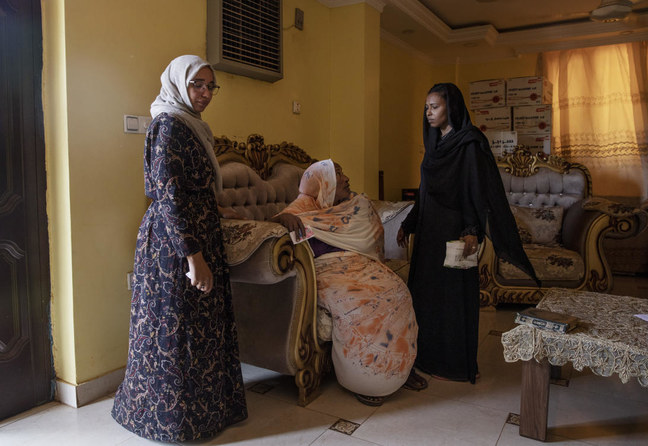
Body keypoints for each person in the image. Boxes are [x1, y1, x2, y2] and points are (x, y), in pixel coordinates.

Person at [111, 55, 247, 442]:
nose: (204, 93)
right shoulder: (169, 126)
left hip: (197, 233)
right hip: (175, 246)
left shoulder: (191, 125)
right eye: (196, 85)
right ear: (178, 84)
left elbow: (193, 187)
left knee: (200, 329)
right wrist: (194, 257)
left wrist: (214, 214)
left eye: (210, 86)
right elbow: (169, 197)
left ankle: (206, 412)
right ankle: (170, 420)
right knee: (175, 331)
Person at [397, 83, 540, 384]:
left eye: (434, 106)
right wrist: (408, 223)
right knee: (427, 297)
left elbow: (476, 192)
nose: (429, 113)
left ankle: (456, 365)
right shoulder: (434, 144)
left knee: (454, 298)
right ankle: (426, 358)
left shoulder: (471, 143)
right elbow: (425, 193)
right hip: (429, 235)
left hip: (457, 234)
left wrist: (472, 232)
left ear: (452, 107)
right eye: (426, 108)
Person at [273, 160, 425, 406]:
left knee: (396, 291)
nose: (345, 179)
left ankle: (399, 366)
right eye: (338, 174)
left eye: (342, 172)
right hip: (326, 271)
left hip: (357, 265)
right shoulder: (302, 206)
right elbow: (271, 226)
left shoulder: (349, 204)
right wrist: (284, 219)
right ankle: (367, 377)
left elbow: (370, 235)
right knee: (364, 301)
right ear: (323, 183)